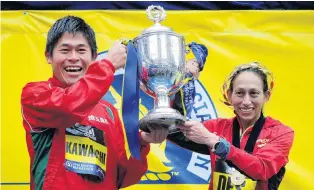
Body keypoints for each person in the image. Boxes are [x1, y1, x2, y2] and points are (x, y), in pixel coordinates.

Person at [20, 15, 169, 190]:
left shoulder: (109, 112)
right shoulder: (36, 94)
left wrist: (141, 142)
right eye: (65, 50)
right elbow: (69, 107)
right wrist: (108, 66)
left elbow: (121, 177)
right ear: (49, 56)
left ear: (93, 57)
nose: (73, 57)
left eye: (81, 50)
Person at [168, 62, 294, 190]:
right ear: (229, 95)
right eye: (239, 93)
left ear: (266, 96)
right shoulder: (217, 128)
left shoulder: (280, 132)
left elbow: (261, 170)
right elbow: (174, 132)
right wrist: (183, 80)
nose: (246, 102)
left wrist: (215, 142)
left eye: (254, 93)